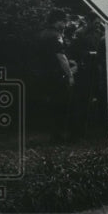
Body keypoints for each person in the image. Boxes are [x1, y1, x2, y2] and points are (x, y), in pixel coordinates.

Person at [38, 9, 74, 143]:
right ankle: (58, 136)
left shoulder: (43, 33)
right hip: (56, 75)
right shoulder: (56, 35)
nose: (65, 24)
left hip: (44, 73)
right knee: (61, 104)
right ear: (58, 21)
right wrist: (70, 75)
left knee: (52, 105)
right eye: (64, 21)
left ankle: (54, 134)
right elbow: (60, 57)